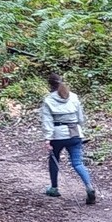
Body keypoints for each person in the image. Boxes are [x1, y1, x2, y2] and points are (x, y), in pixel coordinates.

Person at [40, 73, 98, 205]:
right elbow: (81, 118)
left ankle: (54, 188)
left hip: (57, 135)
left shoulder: (48, 100)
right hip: (75, 134)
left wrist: (48, 138)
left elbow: (47, 121)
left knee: (54, 160)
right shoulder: (74, 97)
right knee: (77, 163)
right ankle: (89, 187)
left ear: (50, 85)